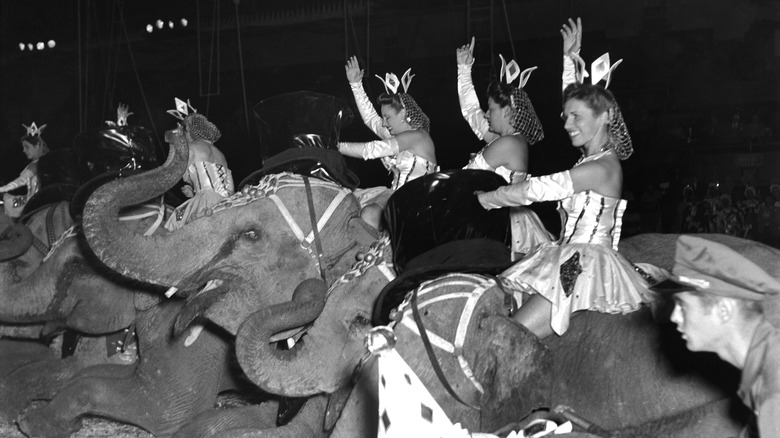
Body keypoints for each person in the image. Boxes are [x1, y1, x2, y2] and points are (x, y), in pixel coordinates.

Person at [476, 18, 656, 338]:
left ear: (606, 117)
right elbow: (577, 100)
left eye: (576, 117)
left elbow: (539, 188)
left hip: (584, 263)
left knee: (509, 336)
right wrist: (569, 59)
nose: (567, 123)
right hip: (567, 254)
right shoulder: (592, 157)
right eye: (565, 116)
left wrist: (487, 198)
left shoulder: (603, 168)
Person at [652, 235, 780, 438]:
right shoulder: (767, 357)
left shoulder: (774, 391)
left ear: (723, 310)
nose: (674, 317)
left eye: (683, 307)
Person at [455, 37, 552, 259]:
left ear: (508, 112)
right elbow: (471, 111)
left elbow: (464, 179)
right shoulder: (508, 139)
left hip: (503, 227)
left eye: (490, 109)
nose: (486, 114)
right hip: (501, 219)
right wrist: (464, 69)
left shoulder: (507, 143)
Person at [338, 56, 437, 228]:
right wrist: (356, 85)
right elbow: (370, 118)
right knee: (346, 200)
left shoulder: (418, 137)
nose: (384, 123)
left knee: (369, 213)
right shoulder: (398, 136)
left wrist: (333, 146)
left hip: (418, 205)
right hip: (396, 198)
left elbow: (369, 150)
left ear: (403, 113)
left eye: (387, 117)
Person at [164, 98, 234, 230]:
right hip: (226, 202)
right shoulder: (220, 153)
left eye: (183, 130)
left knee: (175, 227)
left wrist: (173, 142)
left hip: (205, 203)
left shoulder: (190, 147)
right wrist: (194, 192)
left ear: (188, 130)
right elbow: (226, 187)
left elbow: (169, 173)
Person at [1, 122, 50, 218]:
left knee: (7, 200)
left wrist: (2, 189)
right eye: (23, 147)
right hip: (37, 199)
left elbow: (19, 182)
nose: (24, 150)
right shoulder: (46, 161)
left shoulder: (36, 165)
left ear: (38, 145)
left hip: (32, 201)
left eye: (27, 147)